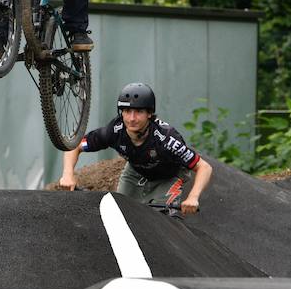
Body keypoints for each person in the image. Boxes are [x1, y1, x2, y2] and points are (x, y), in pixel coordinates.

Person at [59, 82, 213, 214]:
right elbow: (74, 146)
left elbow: (204, 167)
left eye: (139, 111)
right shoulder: (114, 131)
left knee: (162, 220)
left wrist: (193, 197)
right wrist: (67, 175)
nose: (132, 118)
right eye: (127, 111)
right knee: (121, 213)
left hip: (169, 176)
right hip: (135, 172)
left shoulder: (167, 140)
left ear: (150, 114)